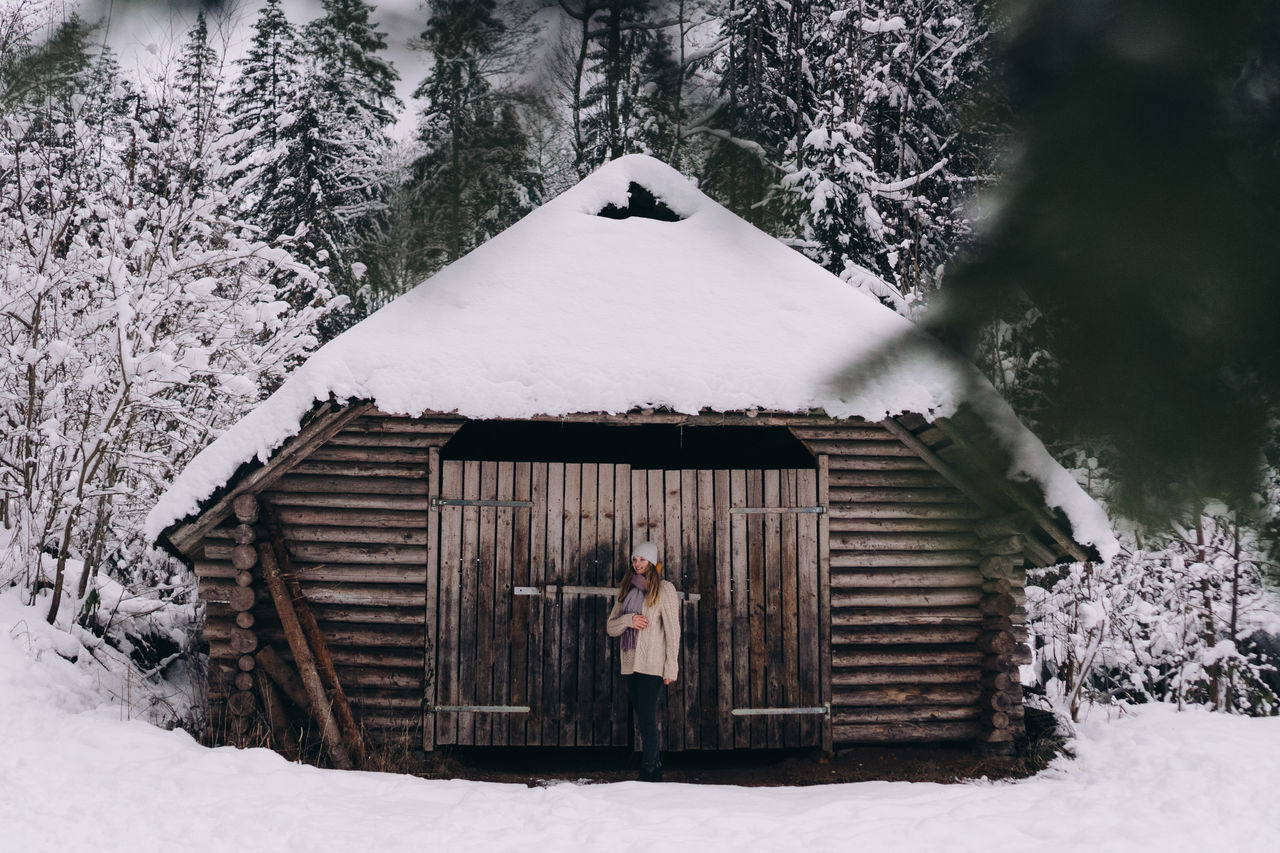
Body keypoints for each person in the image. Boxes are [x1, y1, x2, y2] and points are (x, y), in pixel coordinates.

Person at [606, 540, 680, 782]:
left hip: (652, 664)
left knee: (647, 718)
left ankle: (649, 772)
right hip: (630, 664)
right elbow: (611, 626)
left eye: (642, 560)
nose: (637, 564)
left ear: (652, 561)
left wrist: (671, 667)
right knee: (642, 717)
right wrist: (629, 620)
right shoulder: (626, 587)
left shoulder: (665, 589)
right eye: (635, 559)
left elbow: (673, 630)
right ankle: (654, 766)